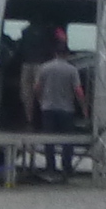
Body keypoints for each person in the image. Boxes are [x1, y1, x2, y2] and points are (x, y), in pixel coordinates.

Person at [34, 40, 87, 178]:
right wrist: (84, 107)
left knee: (49, 140)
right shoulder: (72, 70)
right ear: (67, 54)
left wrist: (40, 101)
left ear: (55, 53)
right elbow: (78, 91)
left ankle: (50, 167)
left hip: (48, 108)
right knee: (67, 141)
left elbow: (37, 88)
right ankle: (67, 167)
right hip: (66, 109)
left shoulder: (44, 67)